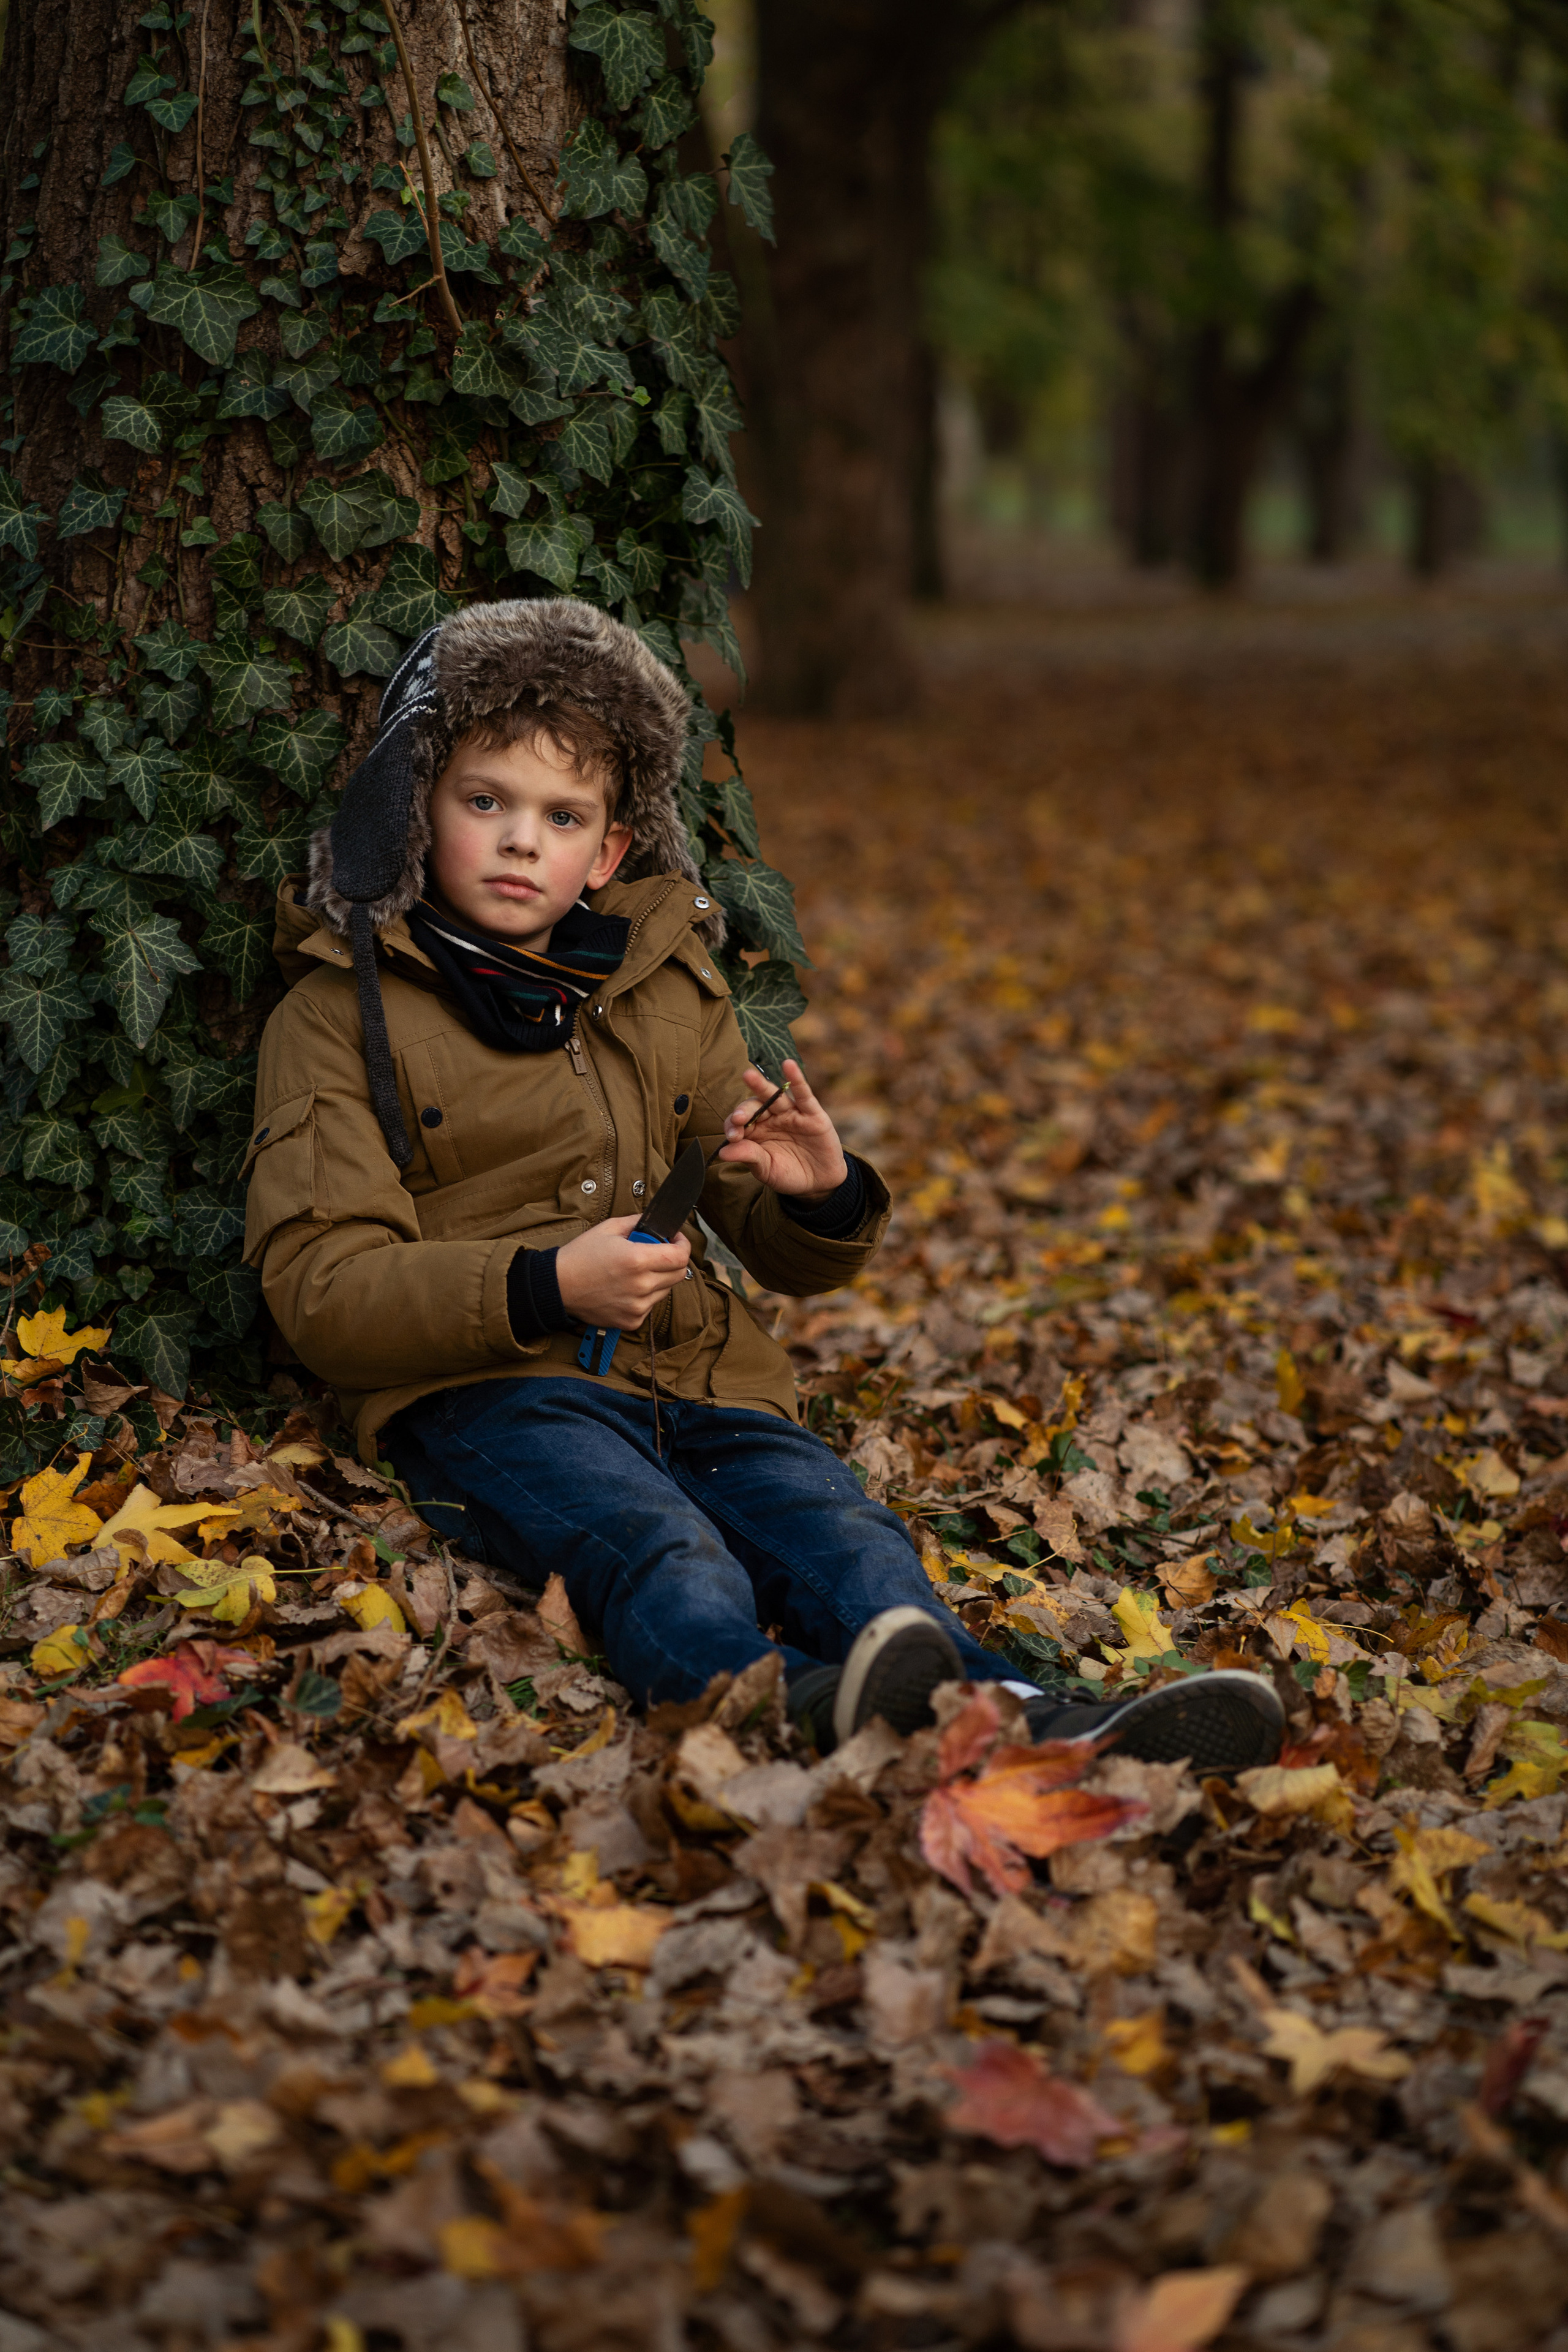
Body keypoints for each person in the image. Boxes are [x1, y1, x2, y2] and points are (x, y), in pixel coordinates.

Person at [244, 598, 1282, 1770]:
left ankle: (1035, 1718)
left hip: (703, 1376)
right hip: (496, 1391)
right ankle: (788, 1704)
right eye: (486, 802)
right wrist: (546, 1285)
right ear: (415, 809)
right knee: (663, 1552)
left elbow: (766, 1234)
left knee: (852, 1543)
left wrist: (812, 1194)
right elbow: (322, 1288)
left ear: (612, 851)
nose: (522, 840)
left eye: (562, 815)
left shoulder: (662, 986)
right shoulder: (339, 1016)